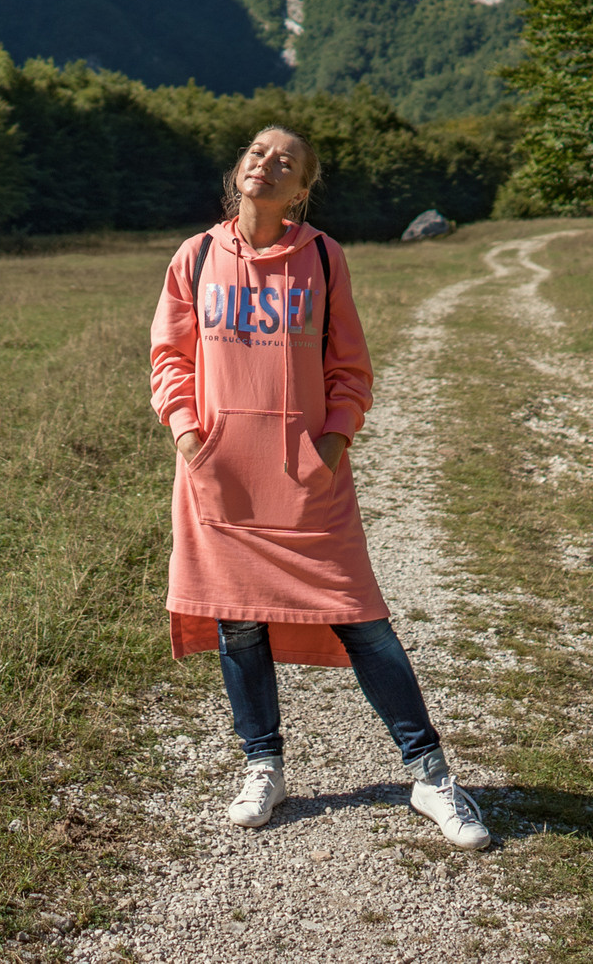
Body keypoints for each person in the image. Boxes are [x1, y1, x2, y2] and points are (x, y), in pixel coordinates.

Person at [147, 126, 491, 849]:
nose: (267, 164)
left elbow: (351, 370)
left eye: (287, 161)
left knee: (361, 619)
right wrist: (189, 437)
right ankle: (263, 764)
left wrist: (329, 448)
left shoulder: (324, 259)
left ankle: (430, 776)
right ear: (237, 169)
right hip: (221, 474)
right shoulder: (197, 256)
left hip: (308, 479)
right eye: (257, 153)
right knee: (237, 621)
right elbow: (170, 359)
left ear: (302, 188)